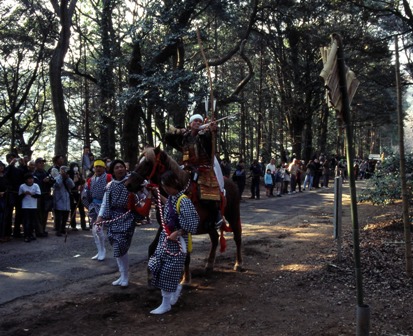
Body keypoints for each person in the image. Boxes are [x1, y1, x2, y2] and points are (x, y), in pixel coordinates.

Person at [148, 170, 199, 314]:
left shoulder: (184, 201)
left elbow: (192, 223)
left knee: (168, 272)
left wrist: (179, 232)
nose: (165, 189)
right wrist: (158, 193)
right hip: (166, 239)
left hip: (178, 242)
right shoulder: (172, 198)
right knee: (155, 264)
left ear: (174, 183)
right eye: (163, 186)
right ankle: (174, 290)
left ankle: (165, 304)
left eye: (167, 186)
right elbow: (169, 203)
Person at [96, 160, 151, 287]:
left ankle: (125, 276)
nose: (120, 169)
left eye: (122, 166)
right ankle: (122, 275)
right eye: (117, 167)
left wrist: (147, 187)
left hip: (127, 217)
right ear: (113, 171)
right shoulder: (110, 185)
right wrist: (100, 217)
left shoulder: (131, 183)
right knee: (116, 245)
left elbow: (145, 193)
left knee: (121, 244)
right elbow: (105, 202)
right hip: (113, 217)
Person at [164, 113, 224, 229]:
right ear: (190, 124)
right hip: (187, 169)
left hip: (203, 169)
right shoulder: (184, 137)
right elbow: (168, 138)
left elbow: (209, 141)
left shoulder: (203, 136)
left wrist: (212, 131)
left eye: (200, 122)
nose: (198, 123)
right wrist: (178, 131)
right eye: (195, 121)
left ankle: (216, 216)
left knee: (208, 194)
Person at [82, 159, 112, 261]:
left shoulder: (109, 177)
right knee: (94, 231)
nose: (98, 168)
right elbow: (86, 193)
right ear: (94, 168)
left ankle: (103, 250)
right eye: (96, 167)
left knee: (98, 229)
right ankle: (99, 250)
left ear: (104, 168)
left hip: (104, 205)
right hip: (94, 206)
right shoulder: (90, 180)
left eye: (100, 166)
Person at [33, 158, 53, 237]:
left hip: (46, 195)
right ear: (36, 164)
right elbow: (34, 185)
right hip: (38, 196)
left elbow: (52, 182)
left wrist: (49, 180)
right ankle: (39, 231)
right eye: (40, 163)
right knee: (38, 214)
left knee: (45, 214)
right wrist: (42, 181)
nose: (42, 164)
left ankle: (43, 230)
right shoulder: (34, 173)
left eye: (43, 163)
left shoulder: (45, 172)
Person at [18, 173, 41, 242]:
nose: (31, 180)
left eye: (32, 179)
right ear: (26, 180)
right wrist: (24, 194)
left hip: (33, 206)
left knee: (32, 221)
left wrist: (31, 194)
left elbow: (39, 195)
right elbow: (19, 197)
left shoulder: (36, 185)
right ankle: (26, 235)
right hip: (25, 206)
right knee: (26, 222)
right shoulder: (22, 186)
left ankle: (31, 234)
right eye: (29, 179)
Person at [53, 166, 75, 236]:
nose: (65, 173)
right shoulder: (57, 178)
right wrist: (61, 177)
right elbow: (57, 184)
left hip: (66, 200)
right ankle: (58, 230)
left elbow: (72, 185)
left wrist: (67, 178)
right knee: (58, 218)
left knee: (65, 217)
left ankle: (63, 229)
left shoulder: (68, 179)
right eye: (64, 171)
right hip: (59, 200)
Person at [68, 162, 87, 231]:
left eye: (76, 166)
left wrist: (80, 179)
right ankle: (73, 226)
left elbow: (83, 182)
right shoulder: (69, 174)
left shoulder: (79, 174)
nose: (75, 167)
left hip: (79, 194)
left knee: (82, 210)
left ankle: (83, 225)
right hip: (72, 194)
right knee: (73, 210)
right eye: (74, 166)